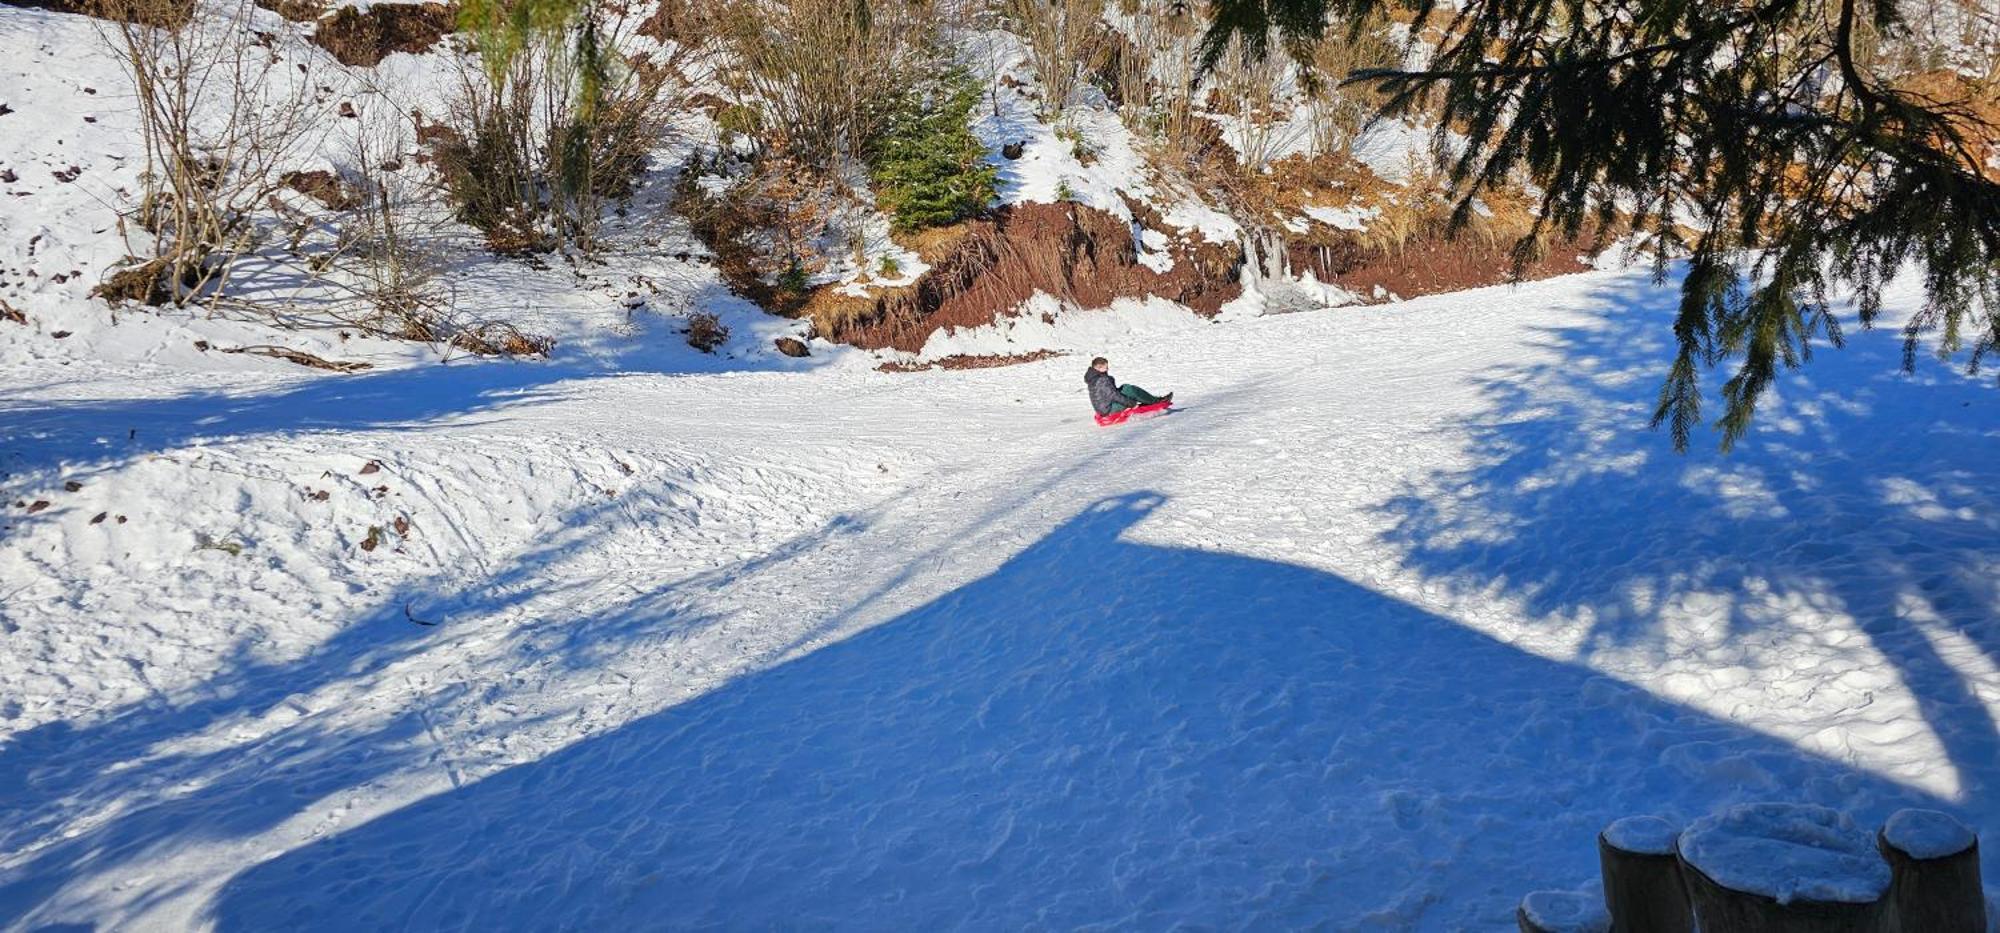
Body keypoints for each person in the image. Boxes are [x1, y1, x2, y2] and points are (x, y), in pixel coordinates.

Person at [1084, 357, 1171, 416]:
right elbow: (1114, 395)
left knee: (1126, 387)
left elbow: (1108, 393)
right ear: (1098, 368)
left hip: (1102, 408)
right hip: (1109, 410)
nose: (1108, 369)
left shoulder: (1093, 377)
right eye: (1105, 368)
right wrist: (1132, 404)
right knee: (1130, 390)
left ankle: (1150, 399)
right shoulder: (1101, 379)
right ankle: (1156, 401)